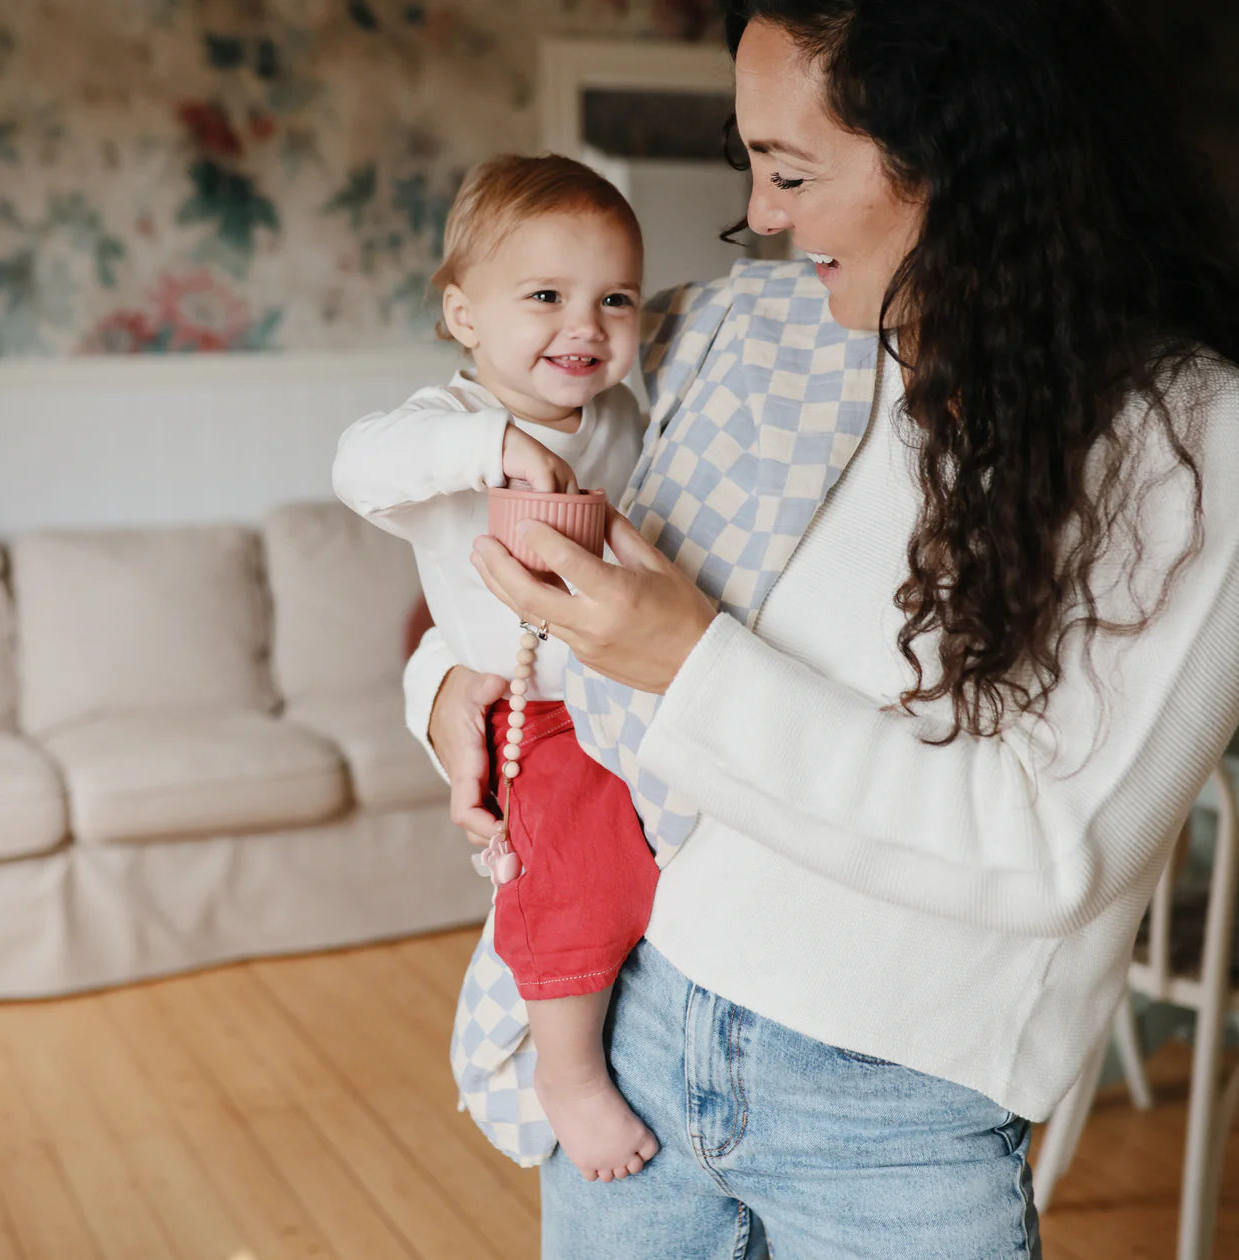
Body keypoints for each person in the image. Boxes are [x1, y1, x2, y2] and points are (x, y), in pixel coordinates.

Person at [403, 1, 1239, 1255]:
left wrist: (686, 661)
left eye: (793, 170)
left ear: (965, 153)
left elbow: (1052, 850)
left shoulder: (1189, 439)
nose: (768, 216)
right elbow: (482, 508)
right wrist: (443, 689)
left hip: (898, 1121)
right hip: (637, 1029)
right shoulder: (745, 334)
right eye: (756, 165)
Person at [332, 154, 665, 1183]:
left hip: (635, 688)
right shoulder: (442, 428)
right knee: (569, 875)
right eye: (545, 297)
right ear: (465, 315)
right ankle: (565, 1072)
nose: (586, 325)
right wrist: (495, 446)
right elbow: (358, 463)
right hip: (539, 714)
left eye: (615, 298)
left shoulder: (621, 420)